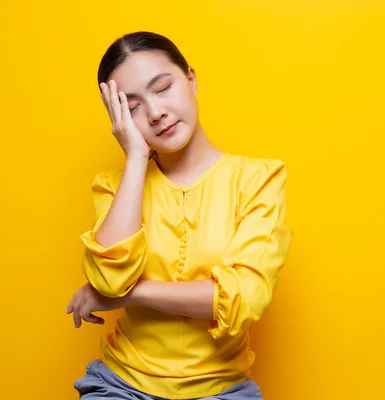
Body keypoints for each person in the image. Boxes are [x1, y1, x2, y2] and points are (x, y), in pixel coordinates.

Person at [65, 31, 292, 400]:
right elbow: (108, 281)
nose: (155, 113)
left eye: (163, 87)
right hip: (121, 385)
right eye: (133, 106)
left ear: (191, 79)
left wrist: (131, 295)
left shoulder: (258, 179)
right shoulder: (114, 186)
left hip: (222, 390)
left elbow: (245, 297)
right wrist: (136, 158)